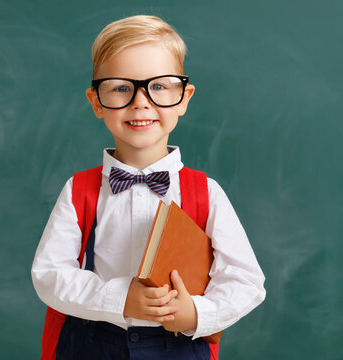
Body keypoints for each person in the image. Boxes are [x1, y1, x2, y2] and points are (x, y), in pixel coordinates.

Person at [31, 15, 265, 360]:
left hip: (179, 346)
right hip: (94, 344)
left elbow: (245, 280)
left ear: (184, 98)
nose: (141, 101)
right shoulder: (79, 189)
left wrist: (197, 314)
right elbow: (49, 275)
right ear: (97, 101)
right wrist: (119, 298)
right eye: (121, 87)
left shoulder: (206, 192)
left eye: (159, 86)